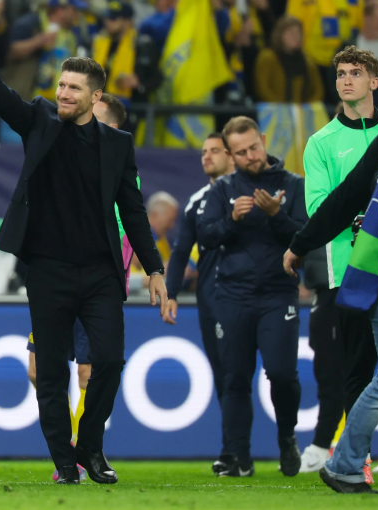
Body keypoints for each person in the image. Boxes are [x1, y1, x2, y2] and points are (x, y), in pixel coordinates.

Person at [0, 16, 168, 485]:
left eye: (73, 88)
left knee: (109, 361)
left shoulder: (118, 144)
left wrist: (155, 269)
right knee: (50, 373)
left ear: (95, 97)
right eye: (61, 85)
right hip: (47, 269)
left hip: (102, 271)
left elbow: (133, 210)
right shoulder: (40, 121)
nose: (64, 93)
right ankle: (65, 462)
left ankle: (90, 446)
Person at [284, 70, 378, 495]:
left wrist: (301, 243)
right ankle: (345, 463)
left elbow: (346, 198)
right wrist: (302, 244)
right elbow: (342, 200)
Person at [298, 45, 378, 477]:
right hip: (350, 270)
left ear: (374, 81)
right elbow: (318, 207)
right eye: (341, 73)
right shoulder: (321, 143)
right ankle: (358, 462)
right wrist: (365, 218)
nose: (346, 79)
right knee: (357, 369)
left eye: (356, 72)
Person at [24, 94, 131, 483]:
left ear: (111, 129)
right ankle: (71, 450)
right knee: (39, 369)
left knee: (90, 369)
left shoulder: (118, 170)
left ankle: (81, 450)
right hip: (56, 280)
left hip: (95, 285)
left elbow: (124, 229)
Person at [197, 116, 307, 478]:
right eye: (241, 152)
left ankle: (287, 436)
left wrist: (276, 215)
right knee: (234, 379)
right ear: (231, 155)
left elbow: (306, 237)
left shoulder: (293, 185)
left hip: (278, 294)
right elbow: (205, 236)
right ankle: (238, 457)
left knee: (282, 374)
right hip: (233, 296)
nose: (250, 156)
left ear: (263, 139)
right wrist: (232, 219)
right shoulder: (222, 190)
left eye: (254, 148)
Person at [163, 132, 235, 473]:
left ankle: (284, 440)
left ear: (232, 155)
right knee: (224, 374)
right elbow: (180, 252)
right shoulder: (196, 201)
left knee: (276, 373)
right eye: (204, 151)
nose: (206, 157)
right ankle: (233, 449)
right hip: (212, 298)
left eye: (214, 151)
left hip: (256, 295)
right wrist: (172, 293)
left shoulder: (251, 193)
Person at [2, 0, 83, 102]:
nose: (77, 15)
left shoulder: (72, 33)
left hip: (57, 98)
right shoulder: (30, 23)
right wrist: (40, 40)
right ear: (60, 10)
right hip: (25, 97)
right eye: (74, 10)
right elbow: (11, 52)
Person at [254, 15, 324, 103]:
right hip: (274, 108)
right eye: (291, 33)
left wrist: (309, 106)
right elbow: (262, 88)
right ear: (280, 35)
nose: (296, 37)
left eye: (299, 33)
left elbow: (318, 90)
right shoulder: (267, 58)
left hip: (302, 109)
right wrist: (281, 107)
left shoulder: (308, 61)